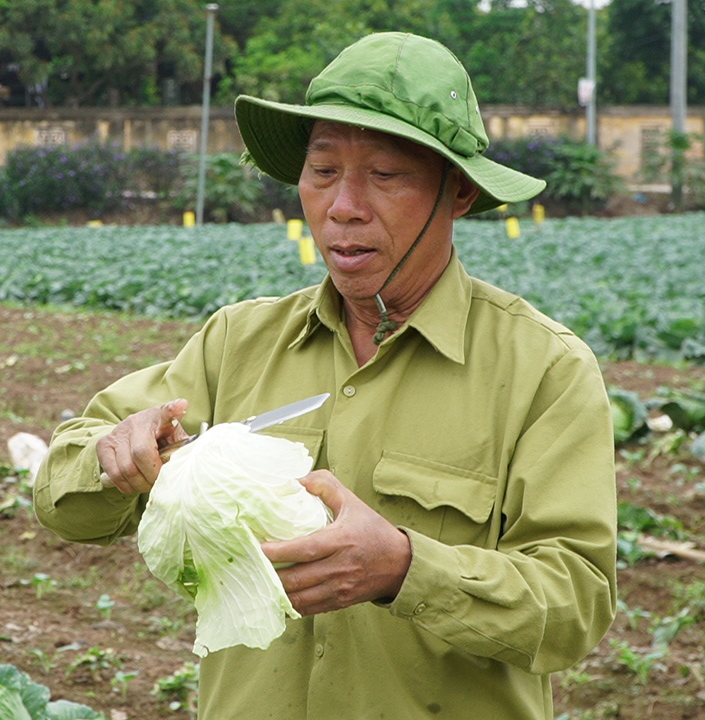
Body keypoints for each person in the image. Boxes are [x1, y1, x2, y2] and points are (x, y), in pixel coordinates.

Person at [34, 31, 616, 720]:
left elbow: (575, 603)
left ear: (457, 192)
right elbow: (59, 494)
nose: (344, 205)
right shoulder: (238, 342)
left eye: (386, 175)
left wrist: (405, 568)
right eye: (323, 170)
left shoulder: (543, 370)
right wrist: (113, 457)